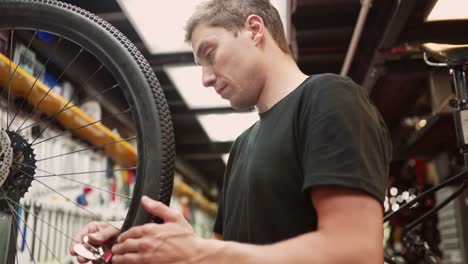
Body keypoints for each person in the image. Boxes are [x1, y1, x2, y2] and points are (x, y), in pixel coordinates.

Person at [70, 0, 392, 263]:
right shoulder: (242, 145)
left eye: (210, 54)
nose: (206, 79)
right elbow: (221, 254)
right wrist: (139, 242)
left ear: (254, 29)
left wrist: (201, 251)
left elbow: (356, 253)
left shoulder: (328, 98)